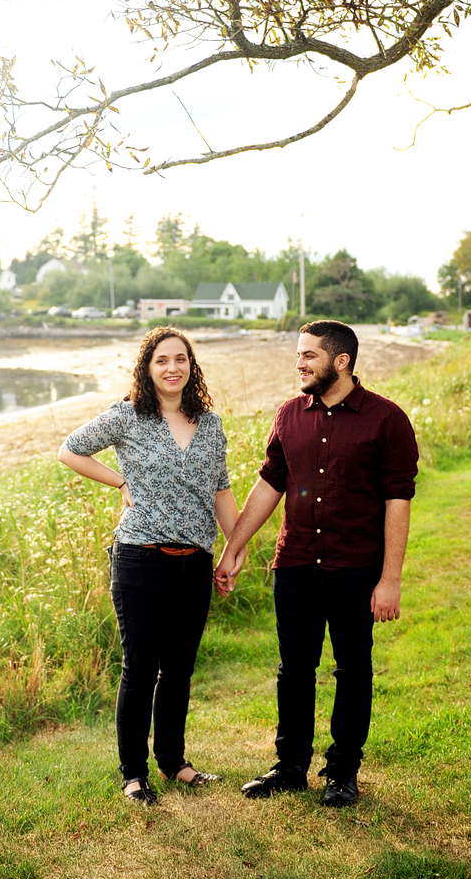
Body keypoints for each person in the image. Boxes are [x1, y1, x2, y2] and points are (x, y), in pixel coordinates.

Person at [214, 320, 418, 807]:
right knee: (294, 670)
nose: (299, 364)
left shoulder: (386, 420)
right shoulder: (289, 415)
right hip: (297, 565)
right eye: (298, 355)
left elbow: (398, 500)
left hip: (355, 568)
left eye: (308, 356)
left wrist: (390, 580)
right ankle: (289, 767)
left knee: (353, 670)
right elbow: (269, 485)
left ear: (341, 362)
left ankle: (343, 772)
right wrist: (233, 547)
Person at [58, 326, 238, 805]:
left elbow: (220, 488)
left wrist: (233, 549)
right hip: (140, 558)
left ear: (191, 366)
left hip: (194, 561)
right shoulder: (128, 416)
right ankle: (133, 773)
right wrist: (119, 482)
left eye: (181, 359)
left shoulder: (211, 424)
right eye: (162, 360)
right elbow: (70, 449)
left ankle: (174, 762)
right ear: (148, 367)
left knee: (178, 670)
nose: (172, 368)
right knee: (139, 669)